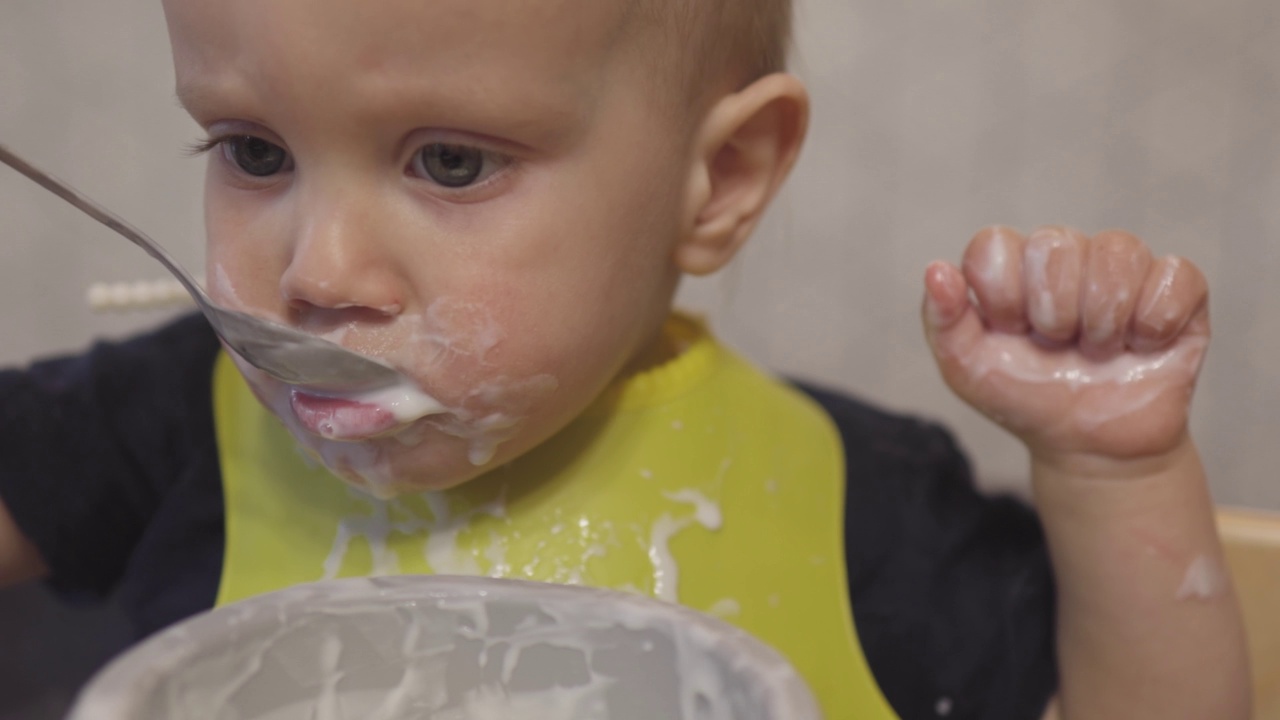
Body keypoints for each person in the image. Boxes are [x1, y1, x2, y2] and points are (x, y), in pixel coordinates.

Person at [0, 0, 1250, 718]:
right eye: (253, 151)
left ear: (719, 180)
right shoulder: (170, 415)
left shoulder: (853, 505)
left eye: (449, 162)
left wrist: (1108, 474)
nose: (316, 270)